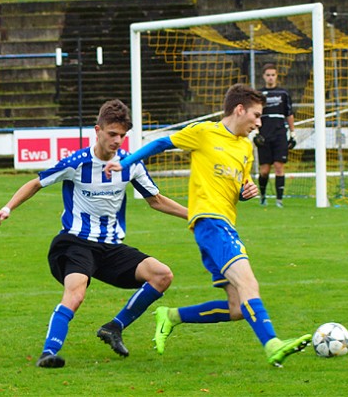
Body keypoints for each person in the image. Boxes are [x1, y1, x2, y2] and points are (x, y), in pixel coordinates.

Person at [104, 84, 313, 368]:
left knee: (238, 308)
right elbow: (161, 143)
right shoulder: (203, 133)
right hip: (211, 224)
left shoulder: (245, 148)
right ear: (239, 110)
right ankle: (272, 344)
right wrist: (125, 162)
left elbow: (237, 185)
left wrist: (244, 191)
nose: (259, 122)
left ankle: (172, 316)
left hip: (223, 225)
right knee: (249, 282)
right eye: (256, 115)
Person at [0, 99, 188, 369]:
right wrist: (7, 208)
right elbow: (36, 183)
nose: (117, 140)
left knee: (162, 275)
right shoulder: (77, 162)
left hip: (111, 247)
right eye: (112, 134)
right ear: (98, 130)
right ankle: (49, 352)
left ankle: (114, 327)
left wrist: (194, 214)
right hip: (75, 243)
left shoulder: (131, 165)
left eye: (122, 135)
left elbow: (156, 200)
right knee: (76, 293)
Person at [254, 63, 296, 208]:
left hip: (279, 134)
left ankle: (279, 200)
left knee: (279, 166)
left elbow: (289, 114)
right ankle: (263, 196)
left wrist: (293, 134)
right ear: (263, 77)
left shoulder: (283, 94)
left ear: (276, 76)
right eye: (268, 75)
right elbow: (254, 115)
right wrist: (256, 133)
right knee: (264, 170)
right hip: (265, 135)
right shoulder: (258, 95)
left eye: (273, 75)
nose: (270, 78)